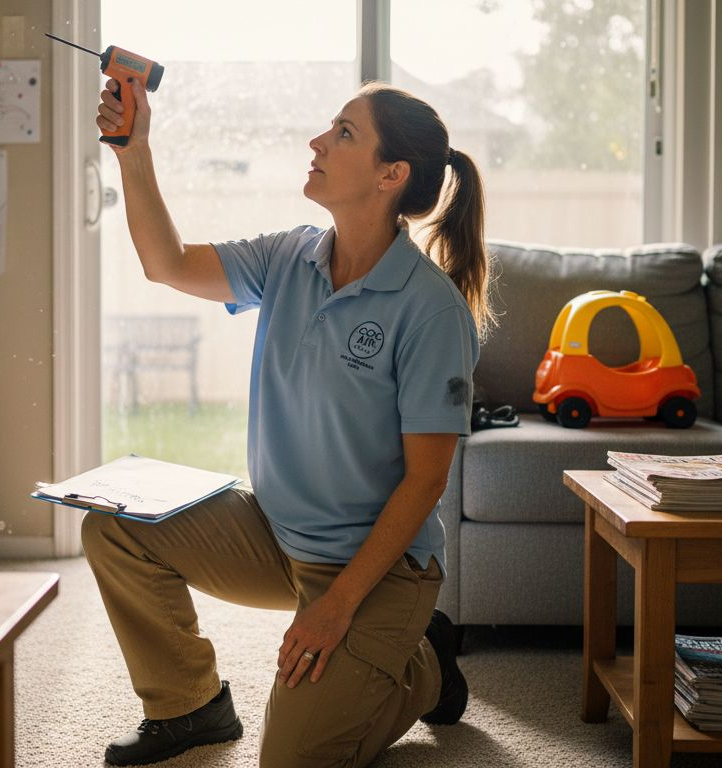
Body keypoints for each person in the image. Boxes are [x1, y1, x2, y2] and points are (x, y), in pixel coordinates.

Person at [81, 73, 493, 767]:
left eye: (344, 133)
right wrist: (133, 150)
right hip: (276, 536)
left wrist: (337, 607)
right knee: (114, 526)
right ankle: (190, 706)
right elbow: (167, 264)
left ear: (391, 175)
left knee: (292, 760)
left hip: (378, 568)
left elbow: (426, 482)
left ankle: (422, 667)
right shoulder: (287, 257)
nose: (317, 141)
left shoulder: (430, 310)